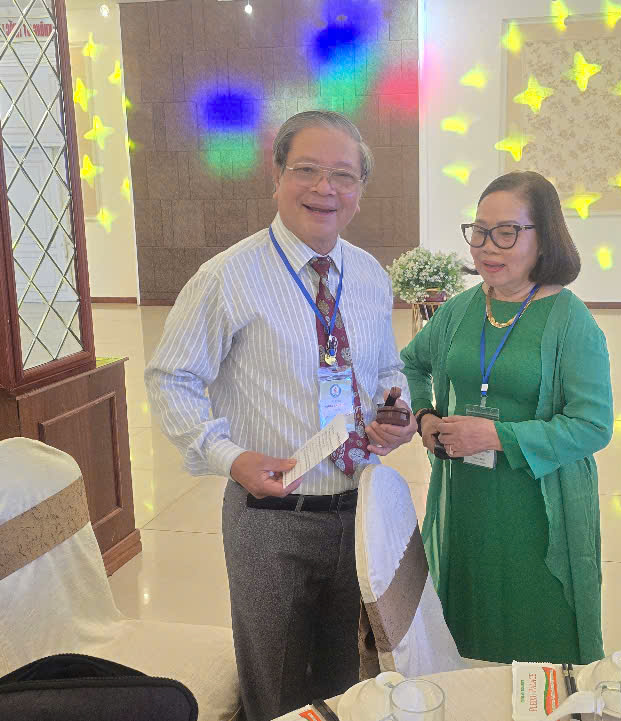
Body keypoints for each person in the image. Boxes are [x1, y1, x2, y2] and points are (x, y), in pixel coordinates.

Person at [145, 110, 418, 720]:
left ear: (360, 190)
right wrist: (230, 457)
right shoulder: (227, 277)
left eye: (343, 175)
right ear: (276, 177)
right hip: (271, 519)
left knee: (348, 679)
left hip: (359, 510)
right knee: (275, 686)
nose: (325, 188)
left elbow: (386, 369)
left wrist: (394, 409)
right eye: (307, 170)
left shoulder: (369, 275)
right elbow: (171, 378)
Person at [400, 171, 613, 665]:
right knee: (469, 631)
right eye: (479, 231)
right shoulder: (459, 310)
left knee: (536, 634)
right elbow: (411, 363)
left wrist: (498, 435)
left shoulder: (570, 321)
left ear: (545, 238)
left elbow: (593, 425)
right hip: (467, 500)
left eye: (506, 233)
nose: (487, 247)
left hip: (537, 507)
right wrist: (425, 415)